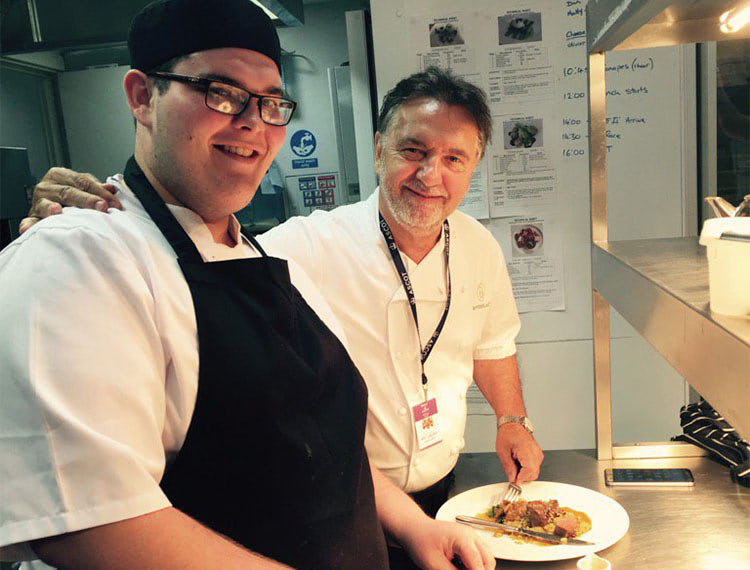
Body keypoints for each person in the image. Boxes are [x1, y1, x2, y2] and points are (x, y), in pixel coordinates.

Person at [0, 1, 496, 569]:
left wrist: (414, 526)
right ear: (142, 97)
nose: (253, 122)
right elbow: (93, 522)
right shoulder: (80, 258)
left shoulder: (261, 256)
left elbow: (322, 448)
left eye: (270, 103)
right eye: (221, 92)